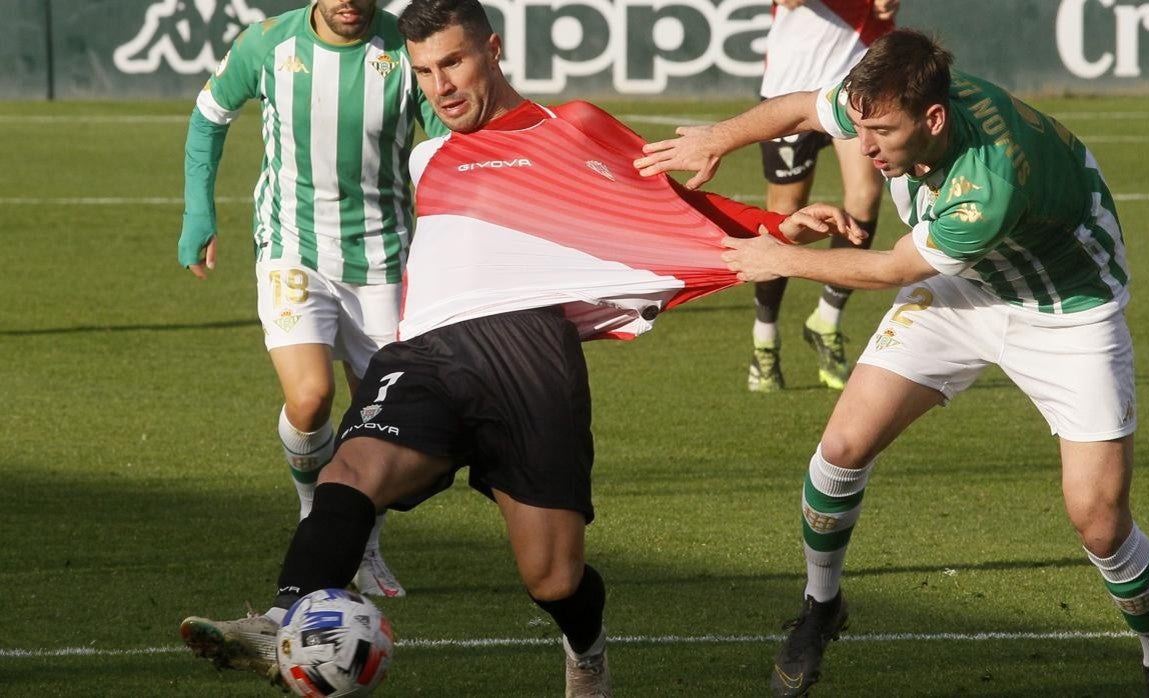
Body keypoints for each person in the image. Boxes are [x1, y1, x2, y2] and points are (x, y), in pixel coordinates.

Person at [177, 0, 851, 695]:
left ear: (492, 50)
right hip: (429, 350)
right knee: (351, 472)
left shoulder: (572, 127)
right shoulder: (431, 154)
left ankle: (585, 647)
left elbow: (661, 202)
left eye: (454, 62)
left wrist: (777, 224)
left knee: (553, 578)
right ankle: (284, 616)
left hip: (531, 358)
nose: (441, 85)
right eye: (425, 71)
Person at [636, 29, 1149, 698]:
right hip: (966, 285)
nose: (865, 148)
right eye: (861, 127)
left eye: (882, 133)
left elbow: (892, 267)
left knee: (1098, 520)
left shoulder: (987, 182)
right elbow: (798, 109)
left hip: (1065, 308)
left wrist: (781, 258)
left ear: (933, 119)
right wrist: (717, 138)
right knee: (842, 446)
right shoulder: (894, 95)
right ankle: (821, 606)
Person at [177, 0, 448, 598]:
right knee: (310, 398)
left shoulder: (406, 49)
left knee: (382, 417)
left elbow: (451, 141)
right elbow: (208, 114)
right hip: (292, 245)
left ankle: (362, 541)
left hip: (385, 256)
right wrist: (199, 210)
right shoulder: (267, 44)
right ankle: (313, 510)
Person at [748, 0, 898, 393]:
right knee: (784, 214)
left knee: (865, 196)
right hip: (792, 87)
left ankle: (827, 320)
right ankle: (765, 338)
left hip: (854, 85)